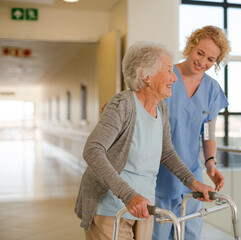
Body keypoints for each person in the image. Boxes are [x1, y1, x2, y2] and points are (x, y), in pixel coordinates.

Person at [74, 41, 214, 240]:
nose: (174, 77)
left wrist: (192, 182)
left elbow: (166, 152)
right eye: (168, 70)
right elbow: (92, 149)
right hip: (112, 208)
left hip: (144, 206)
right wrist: (129, 195)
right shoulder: (123, 104)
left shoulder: (161, 107)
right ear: (146, 76)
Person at [153, 25, 231, 240]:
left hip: (192, 176)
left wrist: (211, 163)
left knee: (190, 234)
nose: (202, 62)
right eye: (200, 53)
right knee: (158, 235)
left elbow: (208, 134)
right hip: (160, 174)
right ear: (190, 46)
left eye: (211, 60)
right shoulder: (165, 77)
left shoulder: (212, 89)